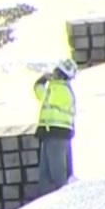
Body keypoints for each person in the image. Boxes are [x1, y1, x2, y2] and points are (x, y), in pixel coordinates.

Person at [34, 57, 77, 195]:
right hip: (52, 133)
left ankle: (64, 203)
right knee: (45, 176)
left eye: (56, 71)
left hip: (56, 134)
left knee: (57, 176)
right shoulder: (60, 88)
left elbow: (41, 93)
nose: (53, 72)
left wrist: (43, 80)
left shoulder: (59, 89)